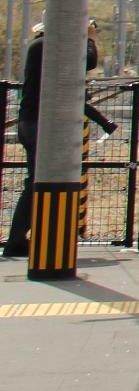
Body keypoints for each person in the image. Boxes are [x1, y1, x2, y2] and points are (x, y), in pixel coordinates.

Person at [4, 19, 114, 257]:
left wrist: (104, 122)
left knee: (37, 183)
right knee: (43, 183)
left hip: (34, 123)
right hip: (41, 125)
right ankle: (23, 240)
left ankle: (21, 239)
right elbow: (89, 60)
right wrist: (89, 36)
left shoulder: (41, 48)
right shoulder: (48, 46)